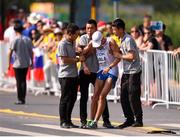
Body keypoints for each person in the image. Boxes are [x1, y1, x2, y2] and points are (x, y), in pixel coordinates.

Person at [77, 19, 114, 129]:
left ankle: (106, 120)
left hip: (98, 71)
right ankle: (84, 121)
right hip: (85, 70)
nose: (89, 30)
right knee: (84, 96)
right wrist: (85, 66)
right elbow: (81, 55)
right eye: (87, 28)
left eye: (91, 28)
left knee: (101, 96)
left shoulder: (101, 39)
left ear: (96, 28)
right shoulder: (83, 38)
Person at [112, 18, 143, 128]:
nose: (113, 32)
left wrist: (119, 55)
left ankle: (138, 119)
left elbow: (131, 56)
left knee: (133, 96)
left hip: (134, 71)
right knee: (123, 96)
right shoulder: (121, 39)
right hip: (126, 71)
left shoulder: (128, 39)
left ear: (120, 29)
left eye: (115, 30)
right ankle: (129, 119)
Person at [87, 31, 120, 128]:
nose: (97, 46)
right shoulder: (93, 43)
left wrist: (109, 67)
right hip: (101, 70)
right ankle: (90, 120)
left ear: (103, 39)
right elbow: (86, 53)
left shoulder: (111, 42)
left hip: (111, 70)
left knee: (102, 96)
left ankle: (95, 122)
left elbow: (118, 58)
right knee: (95, 96)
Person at [58, 23, 83, 128]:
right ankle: (63, 121)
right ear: (69, 33)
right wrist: (77, 59)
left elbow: (72, 54)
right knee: (65, 98)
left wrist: (78, 53)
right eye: (76, 34)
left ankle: (68, 120)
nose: (77, 36)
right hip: (65, 75)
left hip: (73, 75)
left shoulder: (72, 42)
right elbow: (64, 59)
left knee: (72, 98)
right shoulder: (62, 44)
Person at [7, 20, 33, 105]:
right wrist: (31, 61)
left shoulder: (15, 40)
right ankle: (23, 98)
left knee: (18, 81)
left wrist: (8, 64)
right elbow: (31, 52)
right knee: (23, 80)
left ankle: (19, 98)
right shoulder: (27, 39)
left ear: (15, 30)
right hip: (25, 63)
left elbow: (10, 52)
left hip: (17, 63)